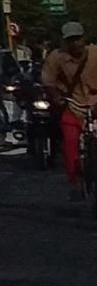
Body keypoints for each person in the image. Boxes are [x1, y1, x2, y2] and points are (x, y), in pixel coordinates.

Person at [40, 22, 91, 194]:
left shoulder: (96, 54)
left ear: (85, 38)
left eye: (78, 39)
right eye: (71, 40)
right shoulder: (56, 57)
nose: (75, 44)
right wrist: (56, 97)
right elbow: (48, 81)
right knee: (70, 142)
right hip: (73, 105)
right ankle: (75, 182)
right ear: (64, 42)